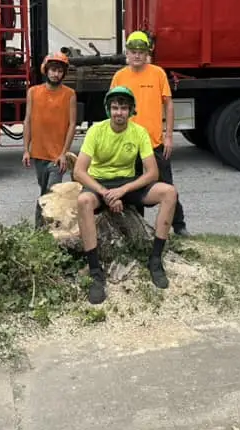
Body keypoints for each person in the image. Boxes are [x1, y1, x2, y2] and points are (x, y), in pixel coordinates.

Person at [73, 86, 179, 305]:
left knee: (169, 193)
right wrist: (105, 193)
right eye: (114, 108)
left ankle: (155, 260)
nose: (119, 112)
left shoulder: (139, 132)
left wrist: (123, 191)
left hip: (127, 183)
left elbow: (152, 173)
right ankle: (95, 271)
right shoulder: (96, 131)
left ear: (131, 111)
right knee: (83, 201)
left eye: (123, 108)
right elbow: (79, 172)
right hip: (101, 184)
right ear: (108, 110)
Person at [110, 30, 188, 235]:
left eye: (141, 52)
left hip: (155, 142)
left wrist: (168, 136)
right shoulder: (119, 76)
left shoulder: (158, 73)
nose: (137, 55)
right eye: (133, 51)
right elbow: (113, 109)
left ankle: (179, 225)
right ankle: (140, 229)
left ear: (147, 53)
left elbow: (168, 105)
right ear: (127, 53)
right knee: (134, 188)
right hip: (128, 144)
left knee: (167, 185)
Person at [22, 52, 77, 227]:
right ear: (46, 70)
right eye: (53, 70)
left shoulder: (69, 94)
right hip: (38, 153)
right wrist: (26, 150)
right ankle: (41, 229)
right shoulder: (33, 92)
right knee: (44, 190)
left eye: (59, 71)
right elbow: (28, 121)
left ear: (64, 74)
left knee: (52, 193)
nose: (56, 74)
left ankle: (44, 228)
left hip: (57, 156)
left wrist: (64, 153)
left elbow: (72, 124)